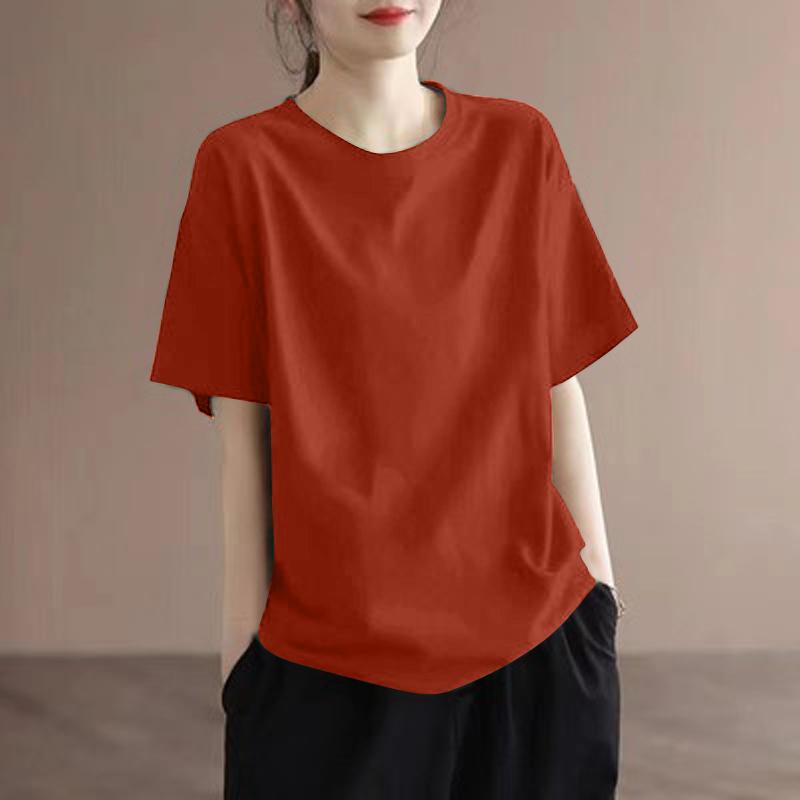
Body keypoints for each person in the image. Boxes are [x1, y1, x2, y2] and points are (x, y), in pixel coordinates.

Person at [149, 1, 639, 797]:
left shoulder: (520, 144)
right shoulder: (242, 166)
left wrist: (602, 602)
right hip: (324, 673)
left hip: (540, 656)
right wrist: (244, 666)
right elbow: (244, 435)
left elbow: (558, 387)